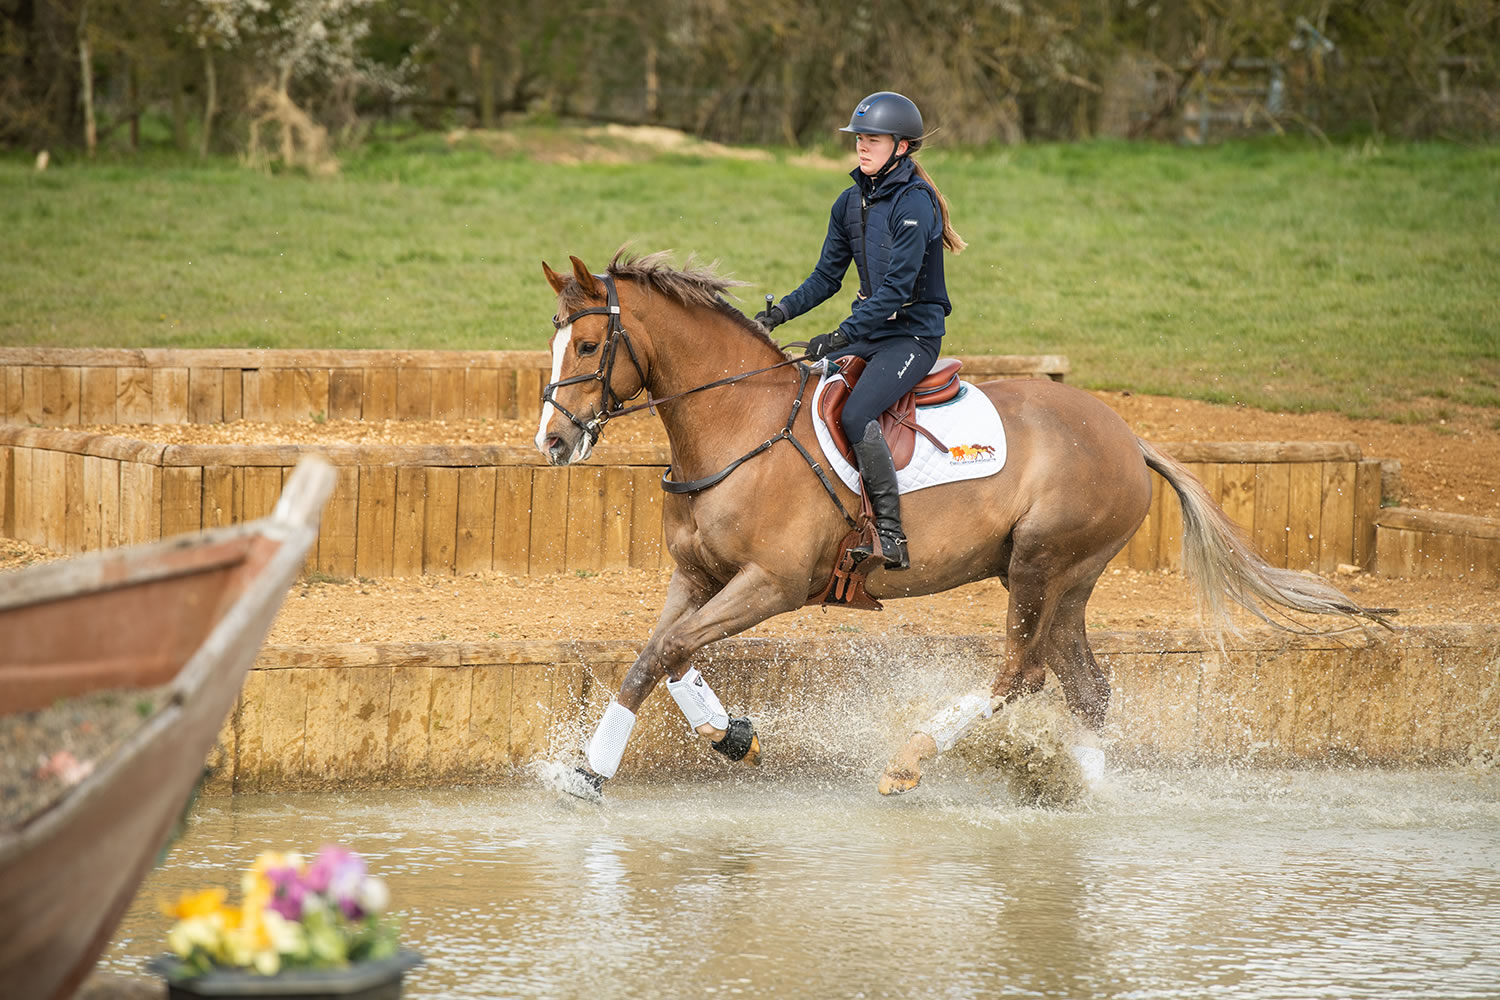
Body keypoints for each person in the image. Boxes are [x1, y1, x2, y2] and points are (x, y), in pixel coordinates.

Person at [757, 90, 965, 571]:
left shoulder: (917, 204)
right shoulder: (849, 202)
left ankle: (890, 532)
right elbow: (827, 277)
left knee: (855, 414)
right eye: (859, 139)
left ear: (902, 147)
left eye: (873, 139)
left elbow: (895, 291)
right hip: (872, 330)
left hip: (912, 337)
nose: (862, 147)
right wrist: (779, 313)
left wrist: (839, 335)